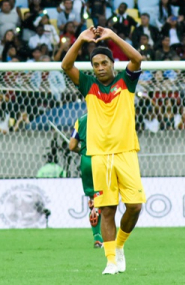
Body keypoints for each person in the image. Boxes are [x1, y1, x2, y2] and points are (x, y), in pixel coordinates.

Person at [61, 26, 144, 275]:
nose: (99, 68)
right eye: (95, 64)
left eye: (104, 63)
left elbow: (137, 58)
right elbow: (66, 66)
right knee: (107, 210)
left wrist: (112, 37)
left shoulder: (126, 81)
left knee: (135, 206)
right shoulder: (87, 84)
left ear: (112, 63)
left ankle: (119, 246)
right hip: (99, 157)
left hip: (126, 152)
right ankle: (110, 261)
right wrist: (80, 40)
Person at [68, 114, 104, 248]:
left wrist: (82, 151)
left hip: (86, 161)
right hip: (101, 160)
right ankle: (107, 236)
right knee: (105, 198)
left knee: (93, 199)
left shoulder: (81, 121)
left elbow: (72, 146)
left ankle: (97, 236)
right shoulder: (105, 116)